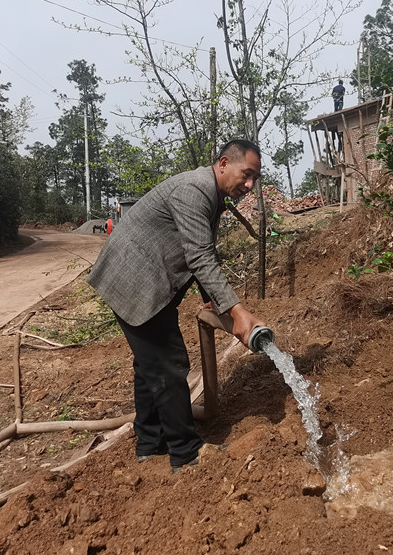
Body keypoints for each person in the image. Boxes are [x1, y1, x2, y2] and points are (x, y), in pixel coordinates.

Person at [87, 139, 266, 472]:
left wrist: (211, 298)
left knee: (150, 366)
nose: (250, 185)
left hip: (147, 279)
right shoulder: (194, 190)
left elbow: (197, 249)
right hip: (134, 280)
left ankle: (150, 442)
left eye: (255, 178)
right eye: (246, 174)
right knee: (169, 364)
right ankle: (185, 452)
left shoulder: (212, 195)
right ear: (224, 164)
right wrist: (237, 311)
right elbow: (199, 256)